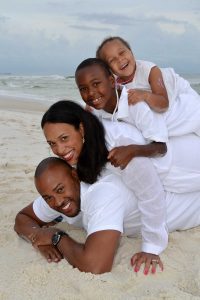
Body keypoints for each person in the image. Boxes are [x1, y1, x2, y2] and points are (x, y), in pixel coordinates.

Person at [14, 156, 200, 274]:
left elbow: (96, 266)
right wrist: (36, 238)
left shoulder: (103, 194)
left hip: (191, 206)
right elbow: (22, 218)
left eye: (60, 190)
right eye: (48, 198)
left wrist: (55, 237)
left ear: (75, 175)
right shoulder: (56, 194)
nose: (58, 202)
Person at [95, 36, 200, 137]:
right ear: (108, 70)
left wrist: (145, 96)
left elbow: (164, 104)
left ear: (131, 51)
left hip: (176, 87)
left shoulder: (150, 70)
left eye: (122, 53)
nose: (120, 60)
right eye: (112, 60)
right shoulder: (115, 83)